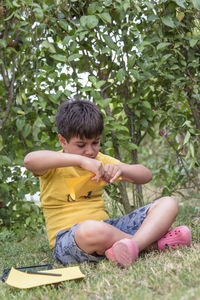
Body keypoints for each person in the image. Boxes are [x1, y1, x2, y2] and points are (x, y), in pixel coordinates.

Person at [24, 99, 191, 267]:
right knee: (89, 229)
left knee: (168, 203)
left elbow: (146, 175)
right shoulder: (54, 163)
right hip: (70, 239)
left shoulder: (100, 160)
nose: (90, 151)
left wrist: (121, 171)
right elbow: (30, 160)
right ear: (63, 141)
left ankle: (132, 246)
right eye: (81, 145)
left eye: (95, 142)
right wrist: (80, 161)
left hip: (107, 229)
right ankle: (153, 245)